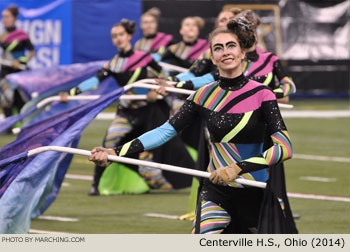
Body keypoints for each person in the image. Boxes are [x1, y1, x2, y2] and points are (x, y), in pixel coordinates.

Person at [89, 18, 294, 233]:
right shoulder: (203, 96)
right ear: (212, 58)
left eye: (231, 45)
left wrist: (237, 168)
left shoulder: (263, 94)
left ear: (243, 53)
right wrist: (115, 152)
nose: (225, 52)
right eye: (218, 48)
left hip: (255, 191)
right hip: (217, 191)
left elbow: (284, 148)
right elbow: (164, 132)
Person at [61, 19, 193, 196]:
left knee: (150, 149)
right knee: (109, 142)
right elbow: (94, 81)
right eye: (114, 36)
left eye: (121, 35)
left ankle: (157, 181)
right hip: (126, 113)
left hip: (149, 112)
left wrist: (158, 92)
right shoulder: (113, 64)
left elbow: (164, 78)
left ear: (129, 36)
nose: (118, 39)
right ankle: (96, 183)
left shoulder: (144, 57)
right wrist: (70, 92)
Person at [0, 5, 35, 125]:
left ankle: (24, 125)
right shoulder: (2, 36)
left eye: (7, 17)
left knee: (21, 99)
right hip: (5, 72)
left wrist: (21, 61)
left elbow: (32, 52)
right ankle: (8, 127)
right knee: (6, 100)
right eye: (3, 17)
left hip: (20, 72)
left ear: (14, 18)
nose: (4, 19)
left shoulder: (22, 35)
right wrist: (8, 62)